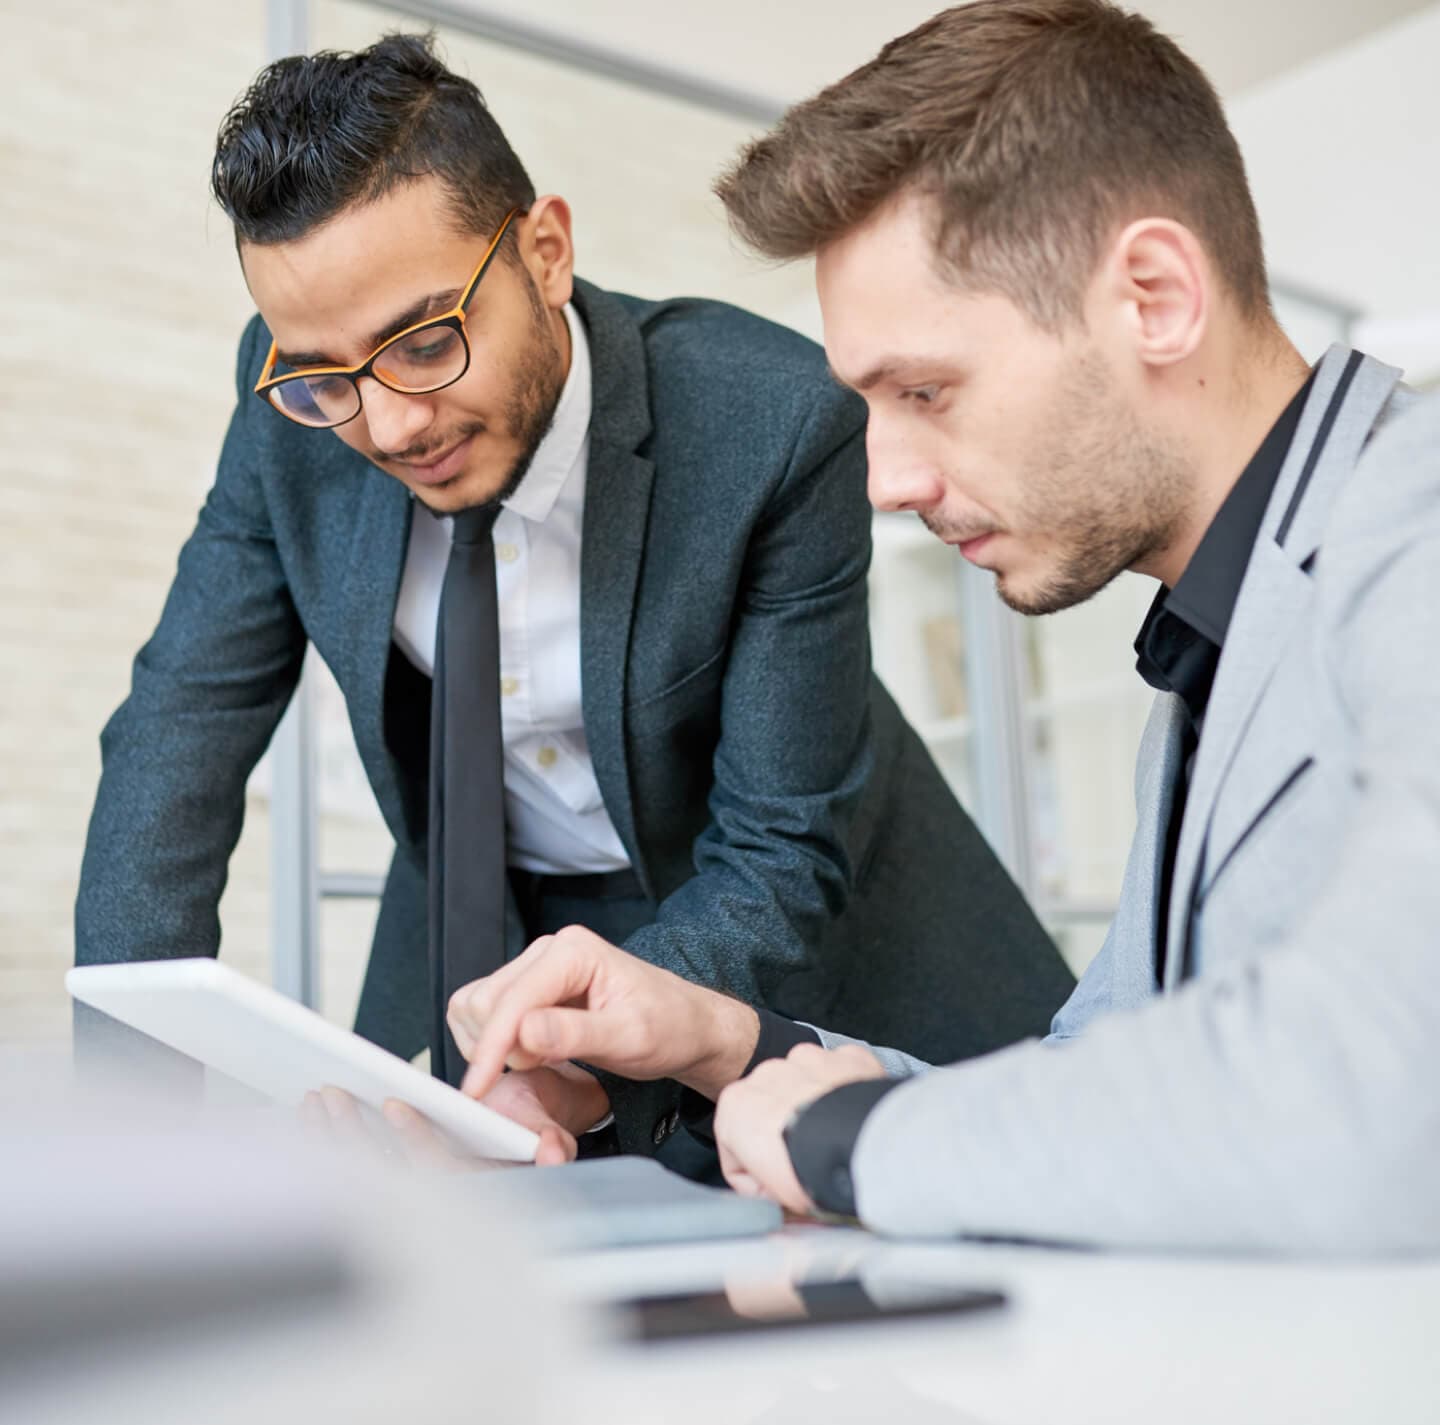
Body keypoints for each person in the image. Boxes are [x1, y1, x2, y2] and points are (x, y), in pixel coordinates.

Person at [450, 0, 1440, 1252]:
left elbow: (1382, 1095)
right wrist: (730, 1042)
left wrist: (851, 1144)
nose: (887, 479)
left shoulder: (1417, 524)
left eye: (926, 392)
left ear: (1154, 296)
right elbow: (1099, 1094)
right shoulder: (1207, 670)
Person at [73, 33, 1074, 1171]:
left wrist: (588, 1071)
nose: (391, 423)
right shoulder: (289, 409)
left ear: (545, 251)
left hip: (799, 919)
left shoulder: (772, 422)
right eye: (325, 373)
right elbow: (175, 736)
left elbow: (783, 844)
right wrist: (123, 1141)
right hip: (479, 914)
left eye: (425, 340)